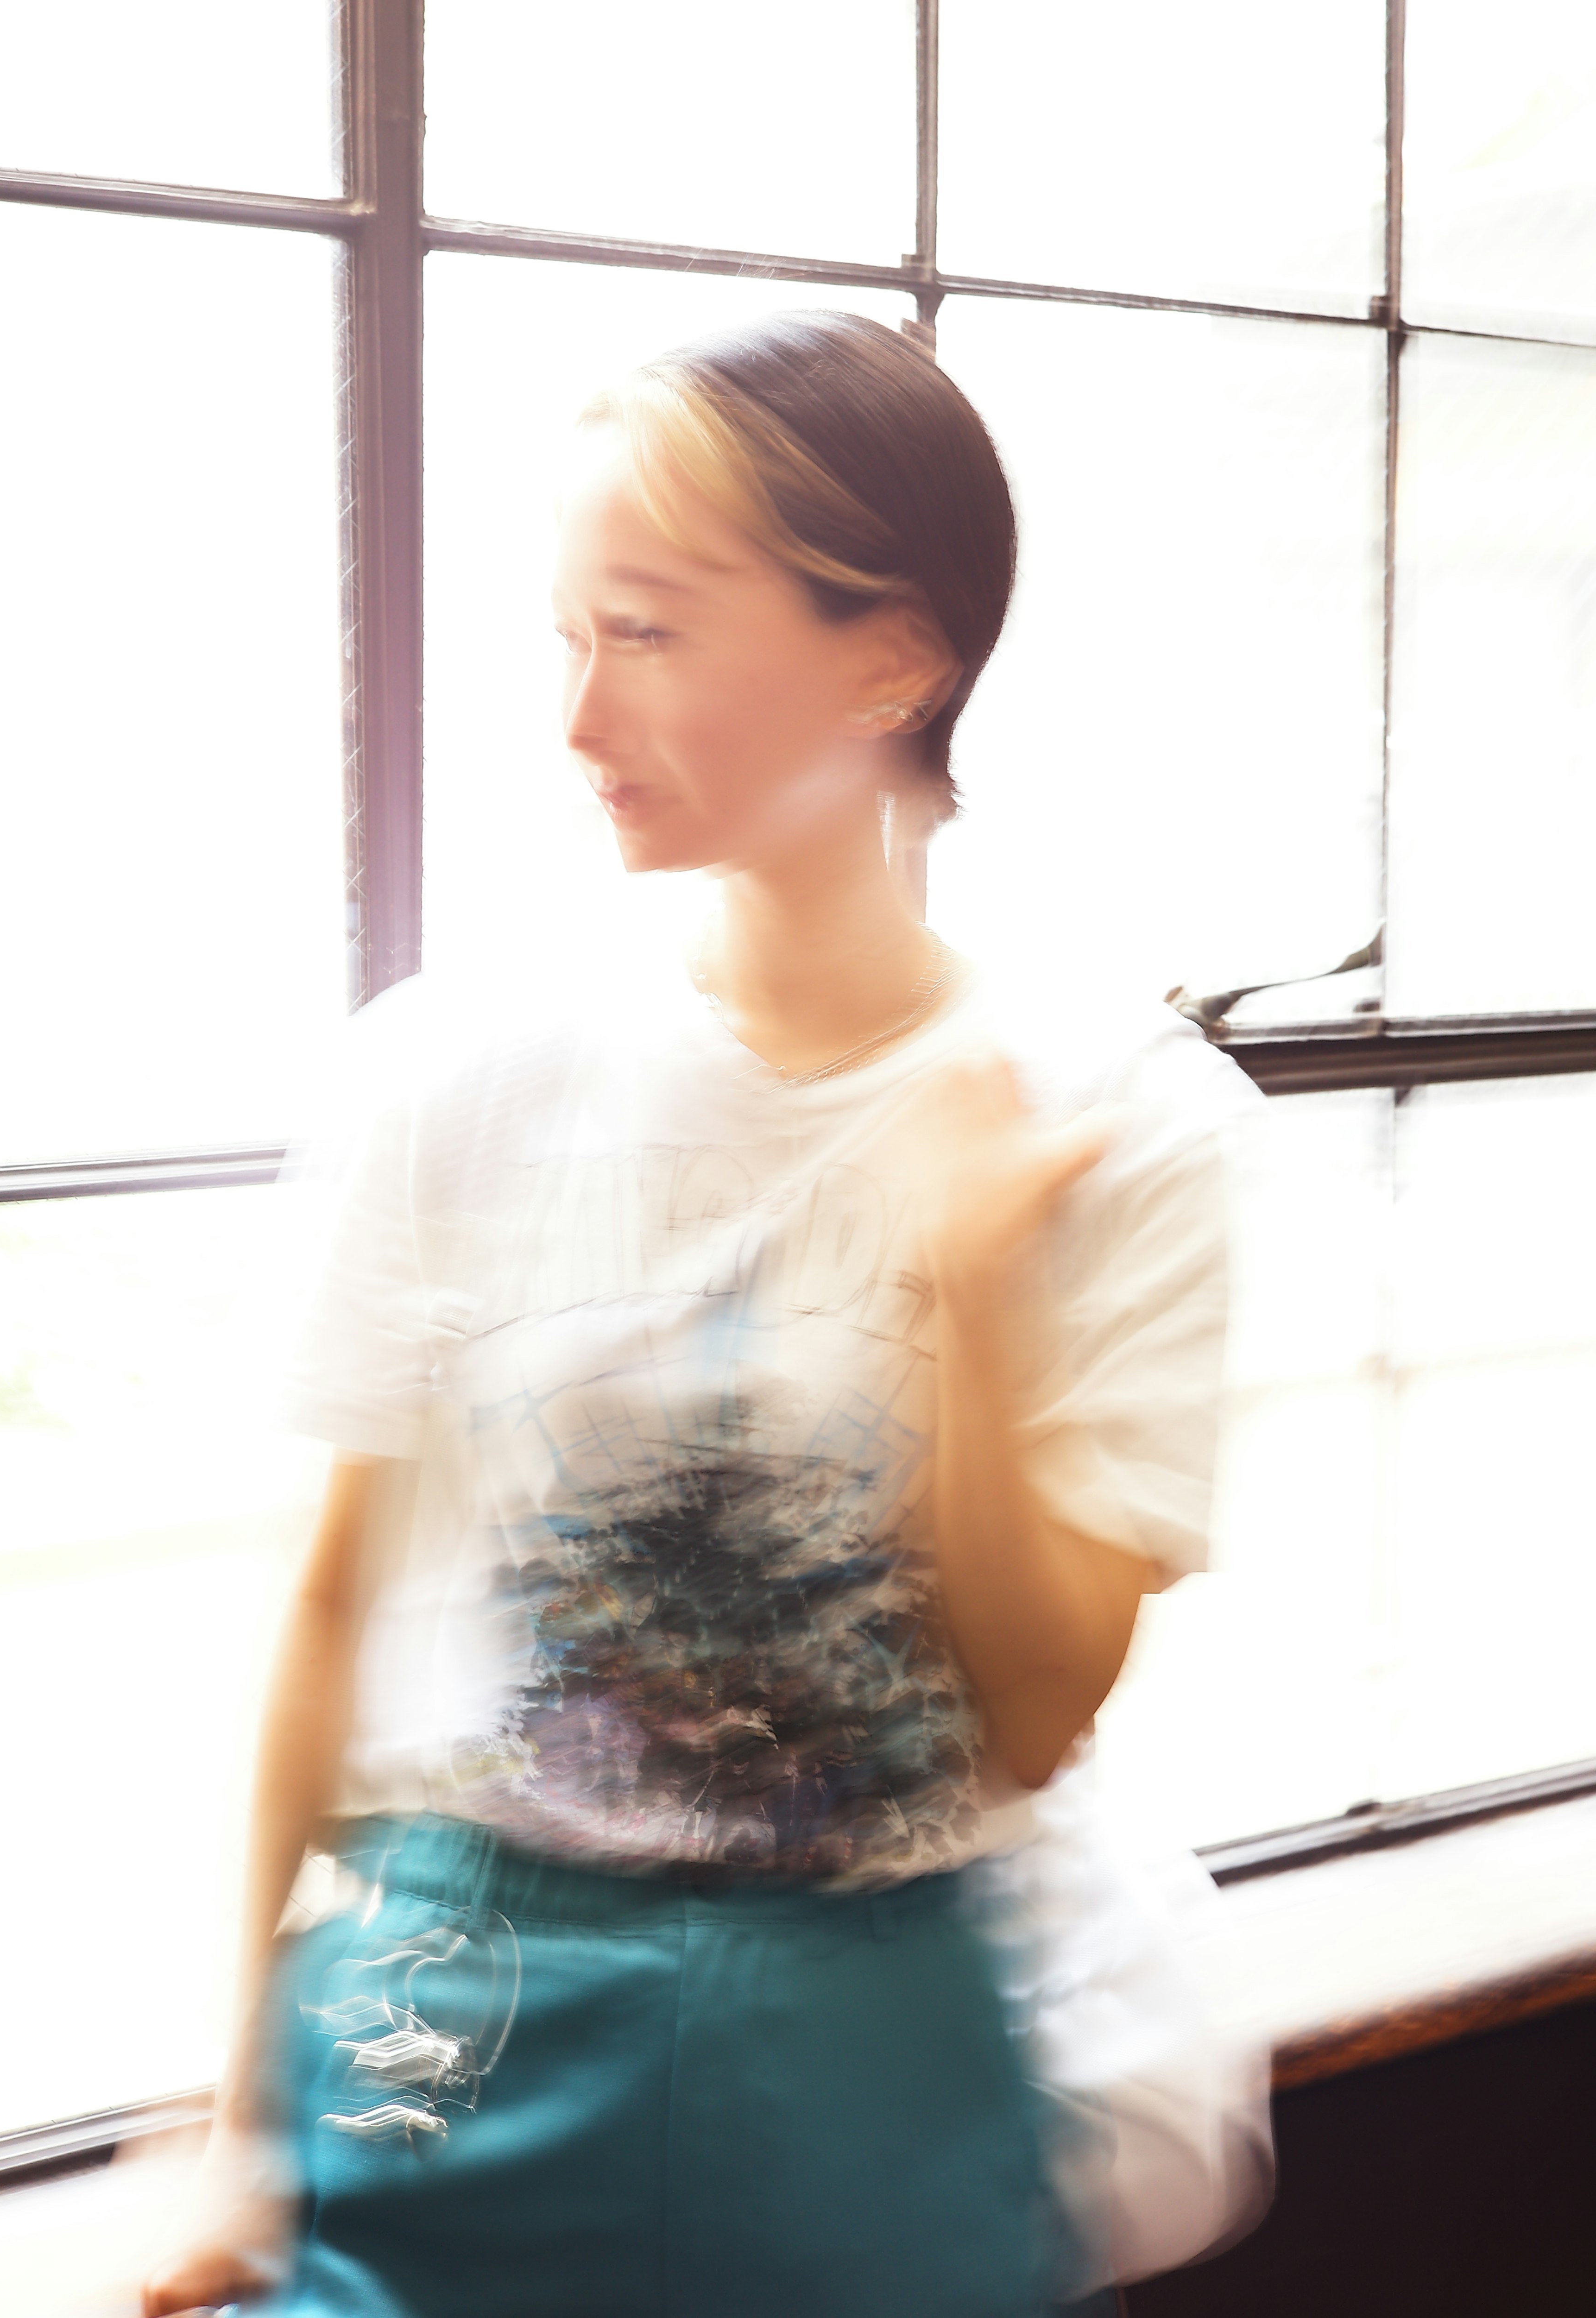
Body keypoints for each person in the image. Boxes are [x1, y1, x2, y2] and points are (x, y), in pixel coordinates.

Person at [144, 311, 1268, 2318]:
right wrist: (240, 2111)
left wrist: (973, 1292)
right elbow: (326, 1614)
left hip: (864, 2037)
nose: (578, 715)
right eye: (565, 633)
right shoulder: (456, 1069)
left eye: (648, 631)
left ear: (896, 654)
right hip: (447, 2014)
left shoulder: (1119, 1120)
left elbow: (1027, 1721)